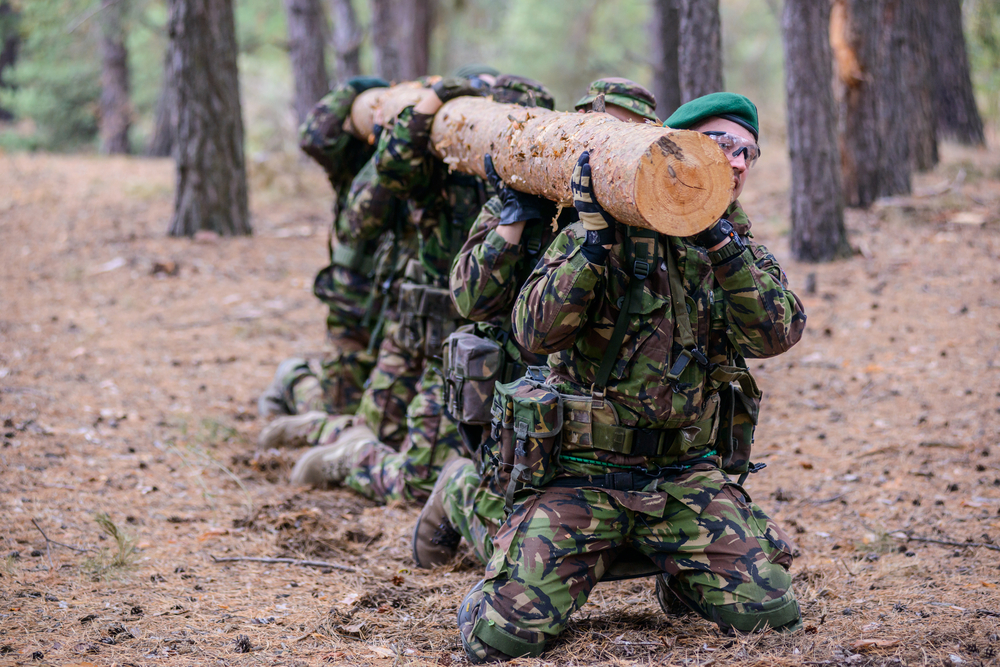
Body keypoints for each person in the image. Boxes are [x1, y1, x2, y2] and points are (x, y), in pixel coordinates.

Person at [455, 92, 807, 662]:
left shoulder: (734, 242)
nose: (737, 162)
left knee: (772, 616)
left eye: (749, 152)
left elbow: (778, 334)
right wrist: (592, 248)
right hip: (583, 475)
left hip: (682, 477)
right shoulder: (599, 228)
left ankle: (679, 569)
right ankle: (471, 501)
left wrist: (722, 246)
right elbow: (533, 336)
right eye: (721, 146)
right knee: (501, 640)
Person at [411, 80, 661, 569]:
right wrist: (513, 221)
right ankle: (461, 489)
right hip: (528, 403)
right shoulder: (527, 195)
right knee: (520, 548)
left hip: (605, 408)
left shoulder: (653, 214)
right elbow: (469, 297)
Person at [283, 73, 555, 505]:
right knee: (376, 429)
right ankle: (335, 430)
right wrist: (431, 103)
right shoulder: (439, 158)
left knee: (419, 476)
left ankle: (352, 446)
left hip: (479, 339)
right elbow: (388, 170)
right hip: (422, 323)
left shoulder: (543, 175)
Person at [257, 76, 394, 420]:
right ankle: (294, 379)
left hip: (402, 304)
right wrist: (358, 88)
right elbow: (315, 136)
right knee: (337, 411)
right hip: (355, 298)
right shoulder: (356, 156)